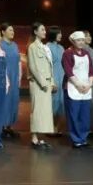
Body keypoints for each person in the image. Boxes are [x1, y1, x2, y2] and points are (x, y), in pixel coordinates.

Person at [62, 31, 93, 148]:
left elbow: (91, 71)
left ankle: (83, 138)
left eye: (82, 40)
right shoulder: (67, 53)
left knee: (85, 115)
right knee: (74, 115)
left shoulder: (86, 53)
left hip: (86, 88)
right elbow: (68, 71)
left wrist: (89, 84)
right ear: (73, 41)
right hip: (73, 87)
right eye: (78, 40)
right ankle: (76, 139)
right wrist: (78, 85)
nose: (81, 42)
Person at [26, 22, 55, 150]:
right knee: (37, 110)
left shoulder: (44, 47)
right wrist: (43, 83)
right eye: (42, 29)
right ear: (35, 31)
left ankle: (40, 137)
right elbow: (33, 67)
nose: (44, 32)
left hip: (46, 83)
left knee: (45, 112)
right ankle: (34, 138)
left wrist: (51, 82)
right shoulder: (32, 47)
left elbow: (50, 66)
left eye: (44, 29)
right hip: (38, 84)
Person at [0, 23, 22, 139]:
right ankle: (2, 127)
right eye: (10, 30)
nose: (12, 32)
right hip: (5, 77)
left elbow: (19, 61)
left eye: (13, 30)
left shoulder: (15, 45)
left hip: (15, 77)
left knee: (13, 101)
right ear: (3, 32)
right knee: (5, 101)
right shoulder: (0, 45)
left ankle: (9, 126)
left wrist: (19, 76)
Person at [46, 26, 65, 135]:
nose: (60, 35)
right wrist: (51, 81)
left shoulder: (61, 48)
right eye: (59, 33)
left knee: (61, 103)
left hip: (61, 77)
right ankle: (50, 127)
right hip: (53, 77)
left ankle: (57, 127)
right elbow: (47, 65)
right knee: (52, 103)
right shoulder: (47, 47)